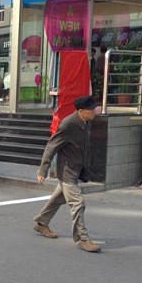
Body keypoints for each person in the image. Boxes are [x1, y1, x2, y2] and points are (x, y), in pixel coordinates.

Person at [33, 96, 102, 253]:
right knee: (78, 203)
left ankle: (41, 223)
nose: (95, 112)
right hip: (67, 172)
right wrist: (43, 169)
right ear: (81, 111)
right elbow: (52, 146)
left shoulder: (85, 122)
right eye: (92, 110)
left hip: (76, 169)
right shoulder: (68, 124)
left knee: (58, 198)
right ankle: (82, 239)